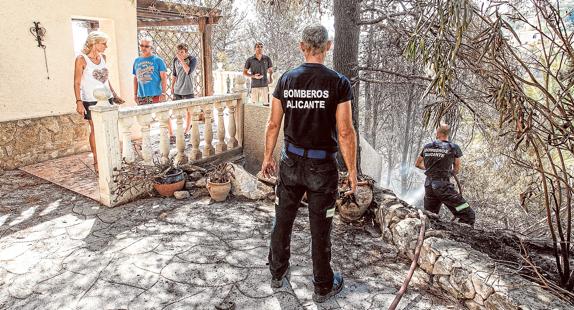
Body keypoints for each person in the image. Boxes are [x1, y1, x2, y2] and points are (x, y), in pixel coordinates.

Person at [260, 25, 357, 303]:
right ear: (328, 46)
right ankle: (322, 286)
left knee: (283, 220)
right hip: (321, 168)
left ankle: (278, 273)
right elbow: (346, 132)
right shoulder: (338, 83)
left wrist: (268, 157)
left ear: (302, 46)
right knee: (320, 228)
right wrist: (352, 172)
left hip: (290, 162)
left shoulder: (286, 79)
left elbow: (273, 123)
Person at [73, 31, 124, 174]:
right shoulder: (81, 59)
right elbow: (77, 82)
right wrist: (79, 102)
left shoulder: (104, 58)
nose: (106, 46)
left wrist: (114, 95)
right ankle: (96, 160)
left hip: (106, 97)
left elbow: (106, 79)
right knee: (95, 129)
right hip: (90, 98)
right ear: (95, 43)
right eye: (104, 43)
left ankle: (111, 157)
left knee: (110, 126)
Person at [415, 124, 476, 226]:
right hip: (443, 186)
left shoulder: (427, 147)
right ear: (447, 134)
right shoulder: (453, 147)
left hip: (429, 186)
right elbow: (456, 169)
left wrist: (430, 169)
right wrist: (448, 173)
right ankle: (463, 236)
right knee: (467, 213)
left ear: (439, 133)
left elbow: (417, 164)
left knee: (431, 215)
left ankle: (430, 234)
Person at [171, 43, 197, 135]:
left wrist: (182, 60)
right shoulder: (175, 60)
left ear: (186, 52)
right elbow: (174, 74)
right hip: (178, 88)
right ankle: (180, 127)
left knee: (189, 110)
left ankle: (187, 129)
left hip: (188, 88)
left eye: (182, 52)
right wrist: (172, 86)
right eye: (178, 52)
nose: (180, 54)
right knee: (177, 110)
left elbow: (188, 71)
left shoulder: (192, 59)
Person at [133, 37, 168, 105]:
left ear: (151, 47)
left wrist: (163, 93)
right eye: (142, 45)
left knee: (158, 115)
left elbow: (164, 78)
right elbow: (135, 78)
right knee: (143, 115)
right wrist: (135, 95)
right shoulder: (136, 61)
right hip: (141, 97)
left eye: (146, 46)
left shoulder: (158, 60)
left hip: (156, 96)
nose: (143, 48)